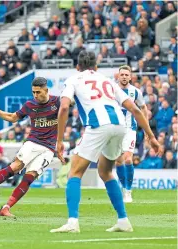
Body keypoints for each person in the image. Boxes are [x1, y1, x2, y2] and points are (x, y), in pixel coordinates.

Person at [50, 51, 161, 233]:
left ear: (78, 67)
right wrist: (152, 137)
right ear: (96, 67)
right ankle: (123, 220)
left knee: (74, 173)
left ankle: (72, 222)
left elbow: (63, 108)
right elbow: (134, 108)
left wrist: (59, 140)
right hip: (120, 126)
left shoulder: (74, 79)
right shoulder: (108, 80)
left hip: (98, 125)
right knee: (106, 171)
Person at [0, 77, 60, 217]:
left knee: (30, 177)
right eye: (33, 92)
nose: (35, 95)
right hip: (33, 142)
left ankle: (6, 208)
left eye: (38, 92)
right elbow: (12, 117)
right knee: (16, 166)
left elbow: (74, 102)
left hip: (48, 149)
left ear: (46, 90)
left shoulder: (57, 102)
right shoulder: (30, 104)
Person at [115, 65, 148, 203]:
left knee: (128, 159)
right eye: (122, 74)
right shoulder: (112, 90)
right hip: (115, 129)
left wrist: (145, 127)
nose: (124, 77)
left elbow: (143, 107)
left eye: (126, 75)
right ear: (118, 76)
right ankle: (123, 188)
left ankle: (128, 191)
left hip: (130, 129)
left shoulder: (135, 92)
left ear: (130, 77)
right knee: (118, 160)